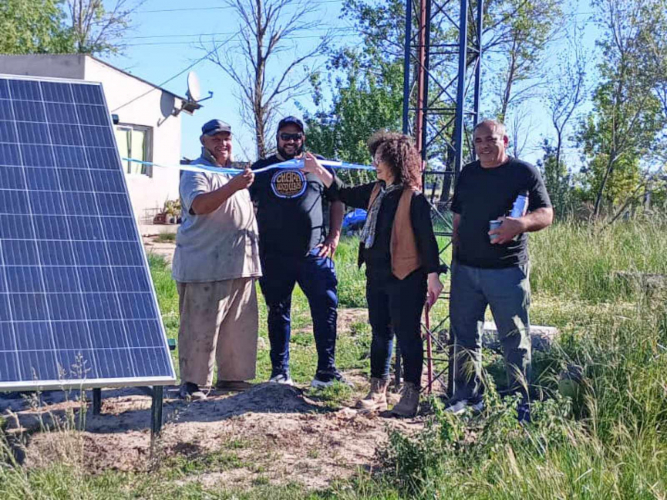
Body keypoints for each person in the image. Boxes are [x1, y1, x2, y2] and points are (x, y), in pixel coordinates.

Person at [301, 131, 444, 417]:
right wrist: (318, 170)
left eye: (380, 159)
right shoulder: (376, 191)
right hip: (377, 275)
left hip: (407, 277)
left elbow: (428, 241)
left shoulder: (412, 198)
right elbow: (343, 192)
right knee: (380, 333)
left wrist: (433, 276)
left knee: (408, 336)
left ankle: (410, 395)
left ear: (395, 161)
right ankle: (377, 391)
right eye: (375, 159)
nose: (375, 164)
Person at [446, 119, 553, 420]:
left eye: (490, 139)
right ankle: (467, 398)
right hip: (466, 270)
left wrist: (520, 224)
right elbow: (457, 217)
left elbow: (546, 214)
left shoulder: (523, 172)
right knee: (464, 336)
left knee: (514, 338)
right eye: (478, 141)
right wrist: (456, 256)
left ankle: (519, 403)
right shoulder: (468, 173)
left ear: (505, 141)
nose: (483, 146)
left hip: (507, 271)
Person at [249, 116, 346, 387]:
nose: (290, 141)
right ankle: (280, 371)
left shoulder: (319, 165)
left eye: (296, 136)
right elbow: (245, 202)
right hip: (274, 254)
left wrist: (334, 237)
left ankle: (326, 371)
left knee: (325, 308)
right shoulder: (263, 168)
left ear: (303, 138)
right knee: (278, 311)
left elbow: (339, 198)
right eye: (285, 136)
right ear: (277, 138)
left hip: (314, 254)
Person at [172, 119, 261, 400]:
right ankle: (194, 383)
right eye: (215, 139)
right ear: (203, 142)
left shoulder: (233, 173)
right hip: (204, 266)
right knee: (200, 327)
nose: (223, 143)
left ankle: (232, 378)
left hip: (239, 264)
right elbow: (199, 205)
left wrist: (238, 185)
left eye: (226, 138)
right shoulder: (196, 171)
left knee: (237, 328)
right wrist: (234, 186)